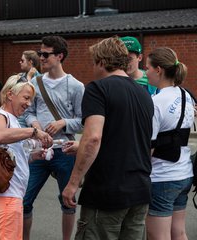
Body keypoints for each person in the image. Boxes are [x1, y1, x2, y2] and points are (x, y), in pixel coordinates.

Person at [62, 36, 154, 240]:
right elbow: (133, 139)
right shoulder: (144, 94)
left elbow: (93, 138)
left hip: (107, 192)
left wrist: (73, 183)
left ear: (102, 62)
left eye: (94, 62)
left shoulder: (97, 89)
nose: (93, 68)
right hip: (140, 190)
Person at [23, 35, 85, 240]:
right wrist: (34, 125)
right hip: (38, 151)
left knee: (67, 201)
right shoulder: (35, 83)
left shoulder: (76, 86)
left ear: (60, 56)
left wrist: (63, 122)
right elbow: (27, 112)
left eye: (46, 54)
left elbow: (84, 120)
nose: (41, 57)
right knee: (24, 200)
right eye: (40, 53)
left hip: (65, 150)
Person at [0, 74, 53, 240]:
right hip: (5, 196)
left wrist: (34, 156)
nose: (29, 104)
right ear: (10, 94)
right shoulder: (2, 116)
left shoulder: (12, 119)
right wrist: (33, 131)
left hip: (11, 194)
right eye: (26, 98)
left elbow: (10, 156)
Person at [145, 47, 194, 240]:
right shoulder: (186, 96)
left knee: (158, 236)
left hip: (162, 176)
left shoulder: (156, 102)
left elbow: (149, 146)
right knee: (179, 232)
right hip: (184, 173)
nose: (145, 71)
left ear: (158, 70)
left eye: (147, 67)